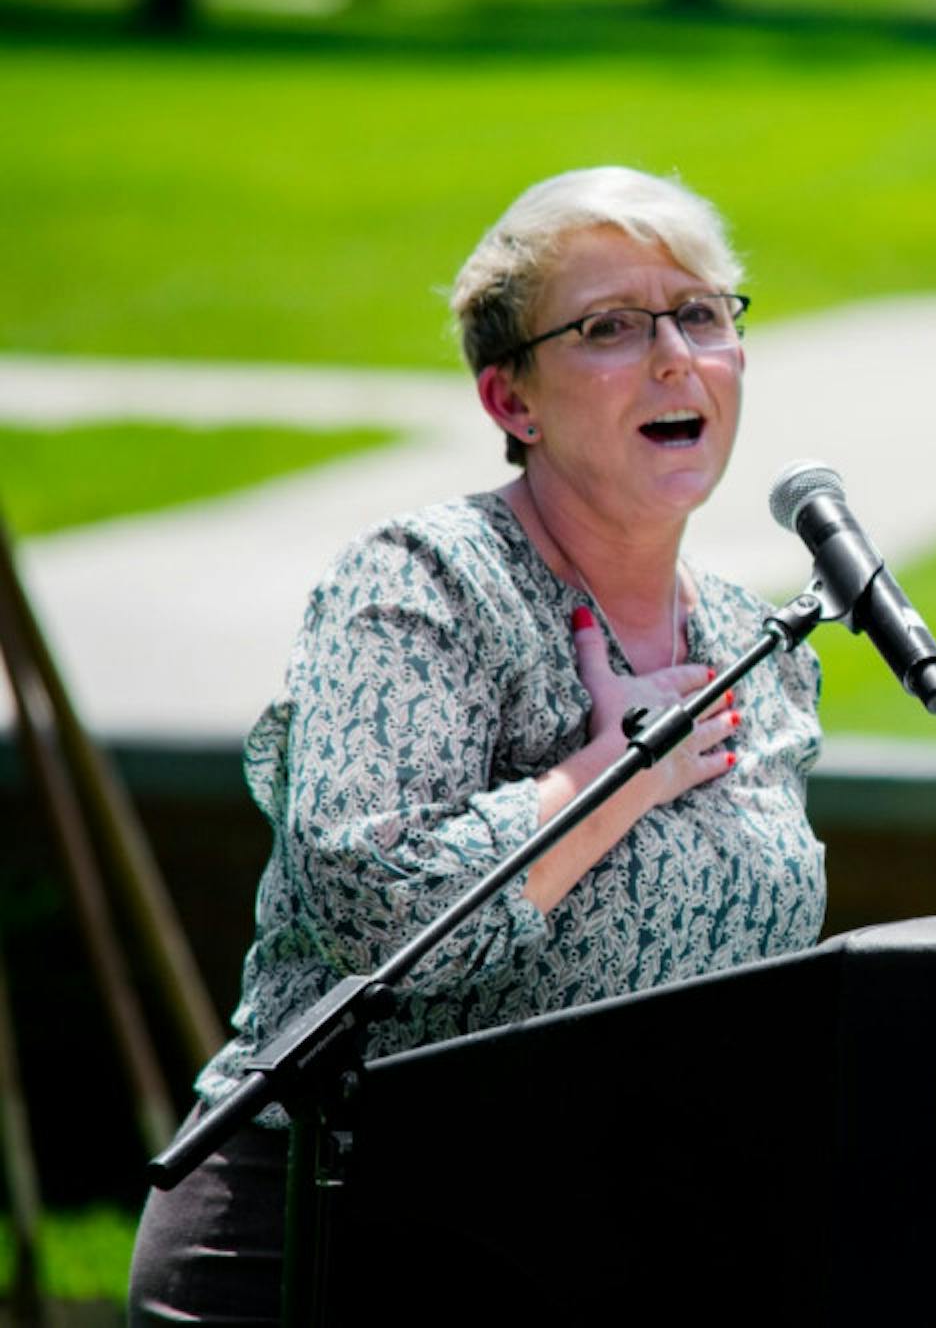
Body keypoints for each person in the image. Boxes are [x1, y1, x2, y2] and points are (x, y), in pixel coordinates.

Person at [128, 166, 827, 1323]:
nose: (673, 357)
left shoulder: (758, 639)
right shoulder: (421, 587)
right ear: (512, 402)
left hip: (610, 1240)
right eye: (609, 326)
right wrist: (610, 776)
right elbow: (378, 911)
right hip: (335, 1232)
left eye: (699, 314)